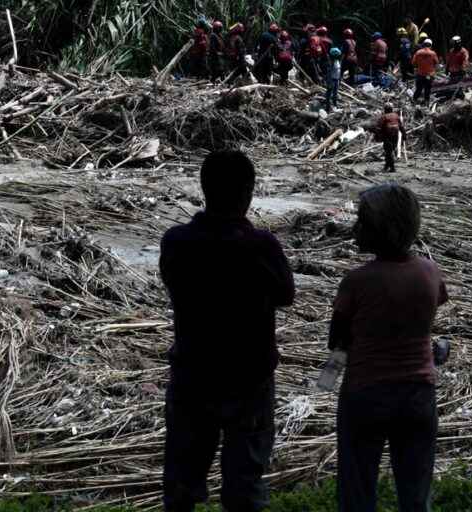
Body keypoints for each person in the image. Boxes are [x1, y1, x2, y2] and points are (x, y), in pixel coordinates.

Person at [160, 150, 295, 512]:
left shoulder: (177, 242)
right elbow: (286, 294)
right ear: (249, 192)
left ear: (204, 189)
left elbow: (172, 280)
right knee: (245, 483)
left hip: (193, 372)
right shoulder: (260, 246)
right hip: (248, 377)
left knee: (182, 480)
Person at [330, 182, 448, 512]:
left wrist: (326, 381)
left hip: (365, 395)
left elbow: (338, 341)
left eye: (361, 222)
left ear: (381, 229)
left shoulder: (356, 281)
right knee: (415, 495)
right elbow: (422, 323)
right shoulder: (430, 272)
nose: (354, 228)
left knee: (357, 492)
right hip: (417, 395)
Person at [374, 103, 407, 173]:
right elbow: (401, 127)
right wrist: (404, 135)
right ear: (392, 109)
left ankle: (392, 167)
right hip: (395, 136)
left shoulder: (383, 117)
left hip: (387, 136)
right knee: (389, 151)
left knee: (388, 152)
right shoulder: (396, 116)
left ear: (385, 109)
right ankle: (386, 166)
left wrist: (377, 136)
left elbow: (378, 128)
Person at [412, 38, 439, 105]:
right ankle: (426, 103)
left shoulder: (418, 52)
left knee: (418, 89)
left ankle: (414, 101)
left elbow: (413, 63)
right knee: (427, 89)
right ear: (431, 45)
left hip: (420, 74)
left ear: (423, 44)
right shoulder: (433, 53)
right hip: (429, 75)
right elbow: (436, 63)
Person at [326, 47, 342, 111]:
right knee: (329, 94)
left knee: (335, 94)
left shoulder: (337, 61)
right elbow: (329, 73)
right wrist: (329, 82)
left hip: (336, 80)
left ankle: (335, 105)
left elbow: (339, 71)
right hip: (332, 80)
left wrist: (339, 79)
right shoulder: (331, 62)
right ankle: (328, 107)